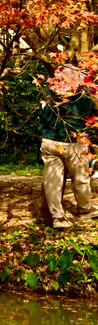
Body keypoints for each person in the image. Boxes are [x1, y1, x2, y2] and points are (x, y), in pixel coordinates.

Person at [40, 66, 98, 230]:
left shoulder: (48, 92)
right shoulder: (83, 95)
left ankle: (57, 216)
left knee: (53, 180)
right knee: (80, 178)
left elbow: (42, 113)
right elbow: (91, 111)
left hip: (50, 141)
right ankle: (84, 209)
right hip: (75, 142)